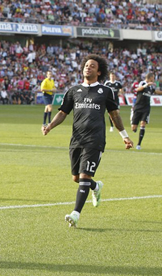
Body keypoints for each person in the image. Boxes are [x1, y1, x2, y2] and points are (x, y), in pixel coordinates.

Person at [42, 54, 133, 228]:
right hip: (76, 139)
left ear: (99, 72)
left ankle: (75, 214)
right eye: (86, 65)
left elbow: (114, 115)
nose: (88, 67)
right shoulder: (74, 90)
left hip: (95, 140)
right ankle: (96, 187)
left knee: (84, 176)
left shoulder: (106, 92)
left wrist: (125, 136)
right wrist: (49, 126)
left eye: (92, 66)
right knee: (76, 178)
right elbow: (63, 113)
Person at [131, 73, 162, 150]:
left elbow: (156, 92)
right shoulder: (142, 83)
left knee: (143, 123)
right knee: (133, 128)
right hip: (138, 107)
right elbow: (137, 89)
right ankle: (133, 120)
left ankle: (139, 144)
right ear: (150, 77)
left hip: (146, 108)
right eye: (153, 77)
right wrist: (146, 85)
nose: (154, 79)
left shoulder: (151, 87)